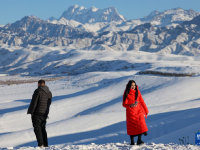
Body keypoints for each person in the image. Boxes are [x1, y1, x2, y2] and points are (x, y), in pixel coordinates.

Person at [122, 80, 149, 145]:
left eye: (134, 85)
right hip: (131, 112)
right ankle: (132, 141)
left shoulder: (138, 92)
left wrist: (146, 110)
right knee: (132, 127)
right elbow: (124, 104)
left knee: (140, 125)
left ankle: (139, 140)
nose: (133, 87)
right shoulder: (126, 93)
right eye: (132, 85)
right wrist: (130, 105)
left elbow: (142, 101)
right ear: (129, 86)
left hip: (139, 111)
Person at [27, 80, 52, 147]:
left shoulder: (37, 91)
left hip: (37, 113)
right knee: (43, 128)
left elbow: (34, 102)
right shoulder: (49, 93)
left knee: (37, 129)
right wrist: (46, 112)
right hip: (44, 114)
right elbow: (49, 104)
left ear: (39, 84)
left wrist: (31, 112)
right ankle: (46, 144)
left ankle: (41, 144)